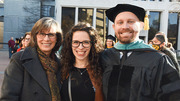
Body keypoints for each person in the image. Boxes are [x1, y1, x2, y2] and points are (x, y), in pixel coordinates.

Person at [100, 4, 180, 101]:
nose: (124, 26)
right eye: (120, 22)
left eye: (131, 21)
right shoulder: (104, 56)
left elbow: (173, 96)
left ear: (141, 25)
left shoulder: (157, 60)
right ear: (114, 27)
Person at [0, 17, 63, 101]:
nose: (46, 39)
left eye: (51, 34)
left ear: (57, 38)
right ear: (35, 36)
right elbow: (8, 97)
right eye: (42, 34)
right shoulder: (20, 59)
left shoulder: (61, 63)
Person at [60, 22, 104, 101]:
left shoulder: (101, 69)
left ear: (92, 45)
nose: (80, 47)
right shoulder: (62, 70)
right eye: (76, 42)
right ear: (70, 44)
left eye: (86, 42)